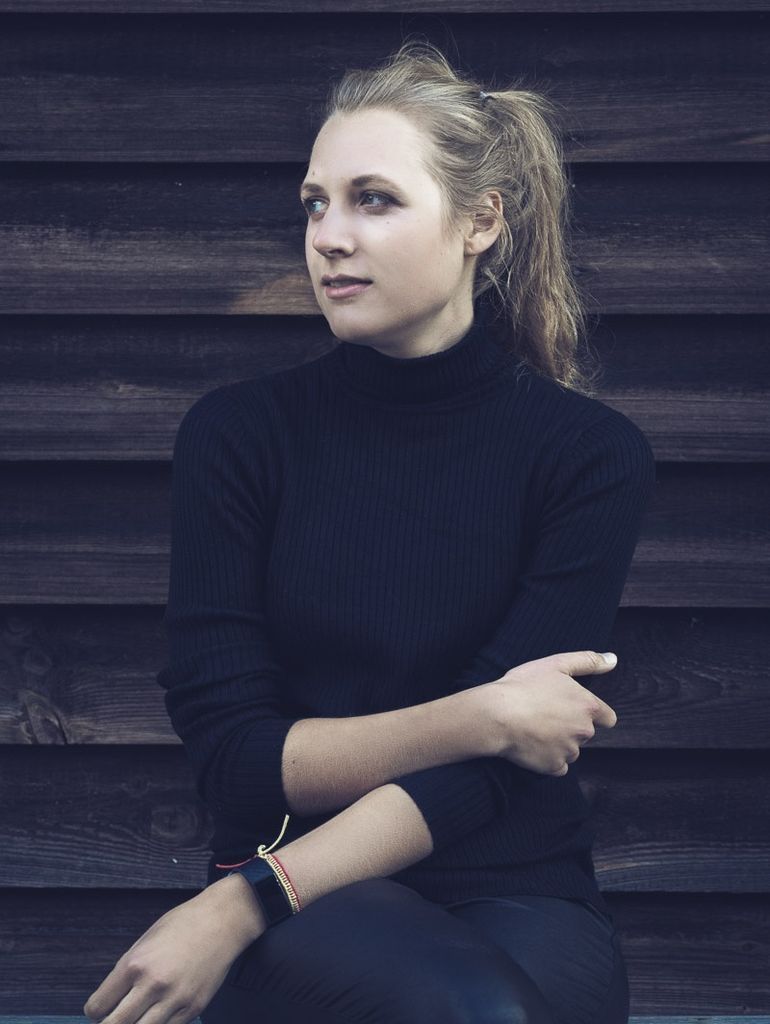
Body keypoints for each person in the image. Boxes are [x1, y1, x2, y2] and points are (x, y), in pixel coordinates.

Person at [83, 39, 656, 1024]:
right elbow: (239, 757)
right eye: (316, 204)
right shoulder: (240, 437)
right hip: (302, 886)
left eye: (373, 200)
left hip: (514, 879)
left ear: (480, 221)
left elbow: (495, 773)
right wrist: (482, 716)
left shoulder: (587, 454)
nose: (329, 237)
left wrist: (239, 903)